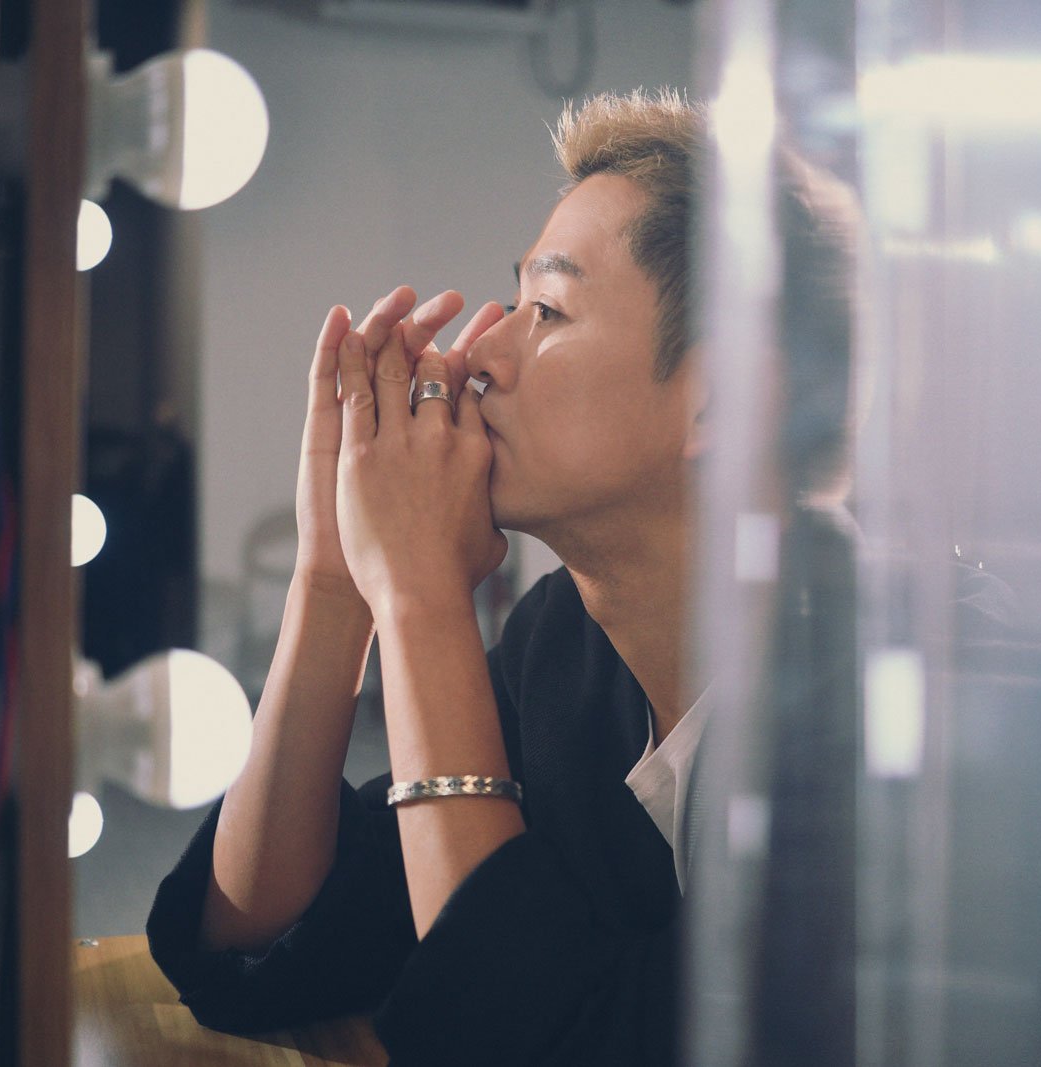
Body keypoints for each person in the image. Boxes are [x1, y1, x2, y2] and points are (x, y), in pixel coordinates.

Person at [146, 88, 857, 1064]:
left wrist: (424, 595)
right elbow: (256, 940)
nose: (477, 351)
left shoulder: (874, 721)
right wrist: (334, 582)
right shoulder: (562, 649)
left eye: (547, 309)